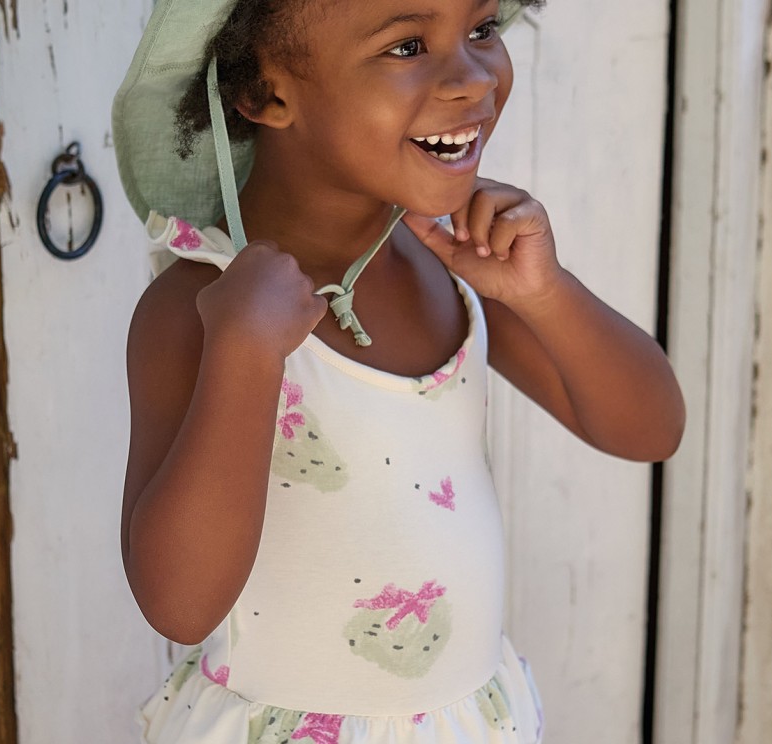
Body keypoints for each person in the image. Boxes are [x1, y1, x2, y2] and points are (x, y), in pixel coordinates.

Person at [113, 0, 685, 741]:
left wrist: (546, 295)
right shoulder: (199, 306)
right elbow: (179, 604)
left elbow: (650, 429)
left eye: (482, 30)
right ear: (263, 90)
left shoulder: (453, 264)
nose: (474, 77)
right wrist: (245, 354)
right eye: (410, 44)